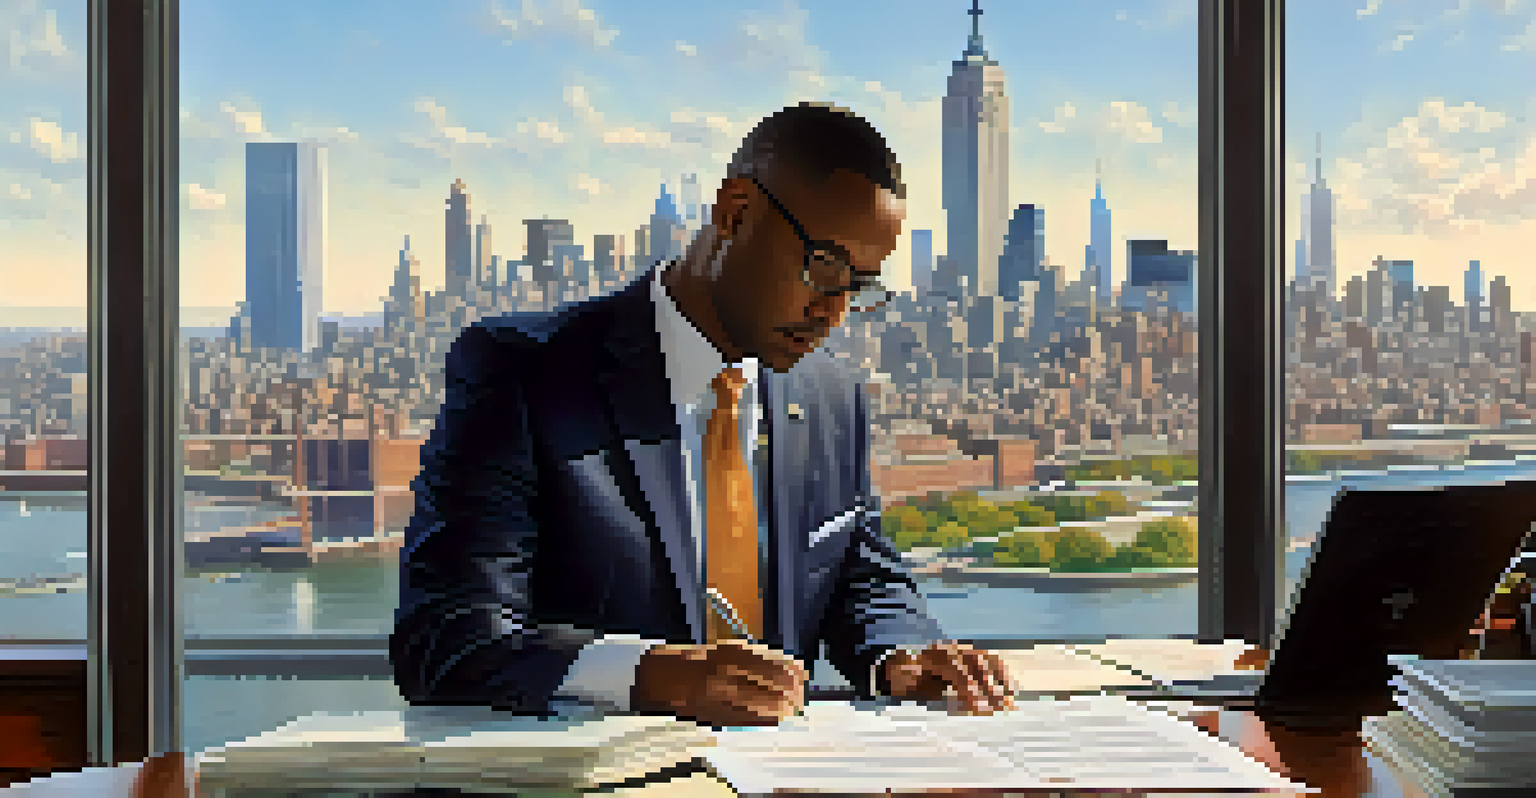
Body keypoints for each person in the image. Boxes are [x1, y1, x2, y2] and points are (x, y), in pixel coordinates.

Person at [390, 102, 1015, 728]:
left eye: (859, 286)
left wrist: (900, 657)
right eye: (824, 267)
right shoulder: (525, 371)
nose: (834, 311)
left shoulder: (831, 396)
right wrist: (650, 676)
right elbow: (445, 637)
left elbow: (859, 575)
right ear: (736, 213)